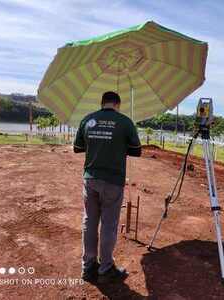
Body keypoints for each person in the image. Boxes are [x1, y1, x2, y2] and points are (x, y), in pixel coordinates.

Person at [73, 91, 141, 283]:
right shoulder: (125, 122)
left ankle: (88, 267)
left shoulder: (88, 119)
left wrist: (97, 144)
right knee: (109, 225)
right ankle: (106, 268)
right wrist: (118, 145)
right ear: (117, 104)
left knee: (89, 221)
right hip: (113, 181)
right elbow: (137, 151)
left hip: (91, 179)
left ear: (102, 103)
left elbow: (77, 147)